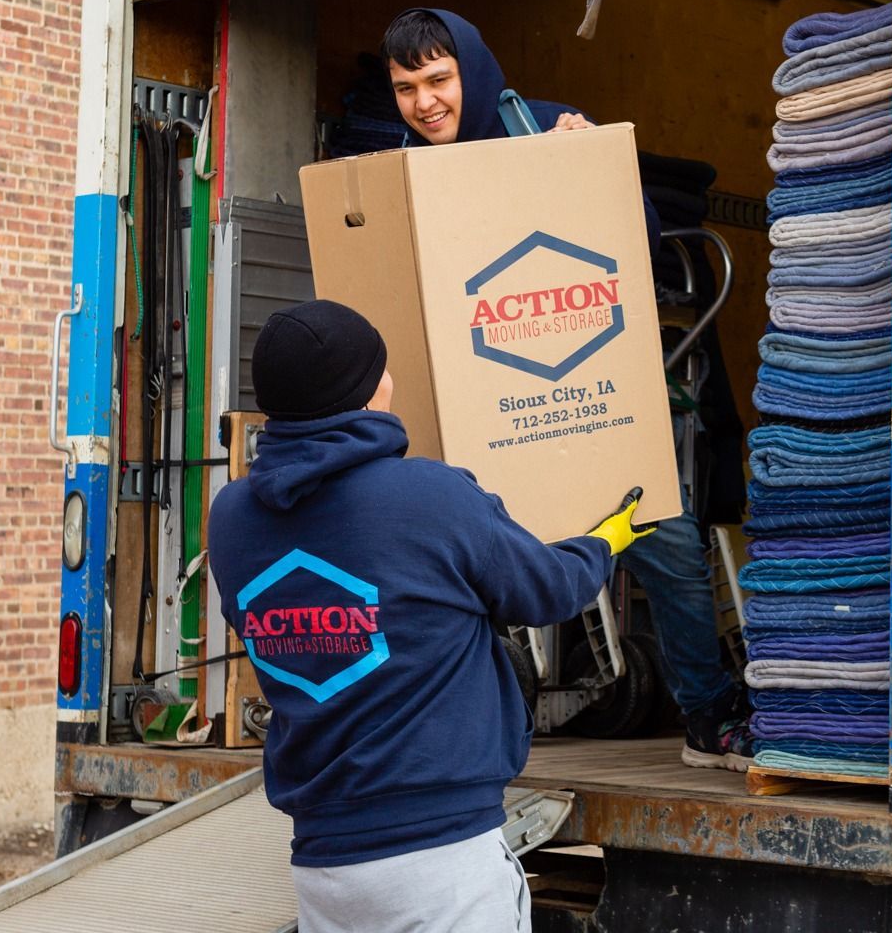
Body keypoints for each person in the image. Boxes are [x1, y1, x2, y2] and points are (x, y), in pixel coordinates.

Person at [381, 7, 753, 771]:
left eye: (438, 80)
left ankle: (708, 714)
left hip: (582, 399)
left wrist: (590, 171)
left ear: (472, 71)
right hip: (478, 422)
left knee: (667, 542)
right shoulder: (399, 175)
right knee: (461, 570)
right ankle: (459, 734)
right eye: (405, 86)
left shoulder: (540, 130)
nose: (424, 103)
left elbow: (638, 241)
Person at [208, 299, 654, 933]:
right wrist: (603, 542)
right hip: (443, 862)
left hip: (323, 867)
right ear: (366, 391)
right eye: (381, 369)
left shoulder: (231, 518)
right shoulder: (431, 495)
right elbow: (547, 591)